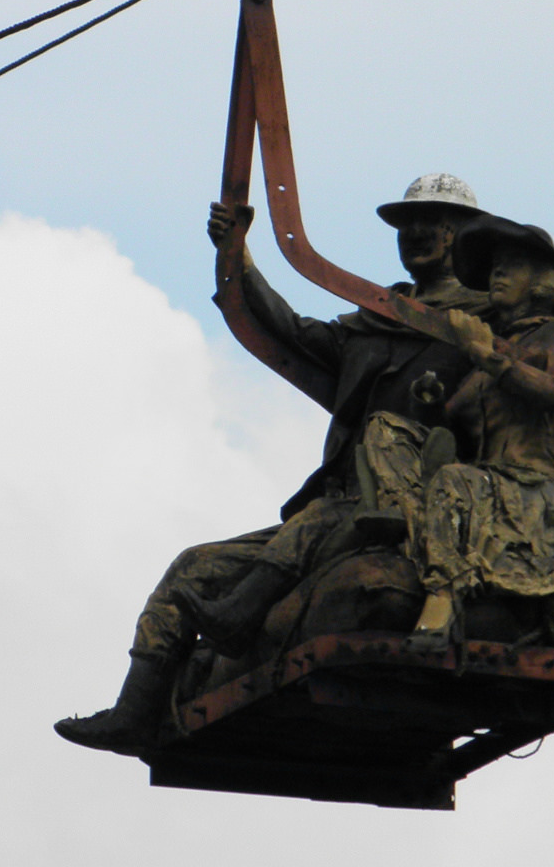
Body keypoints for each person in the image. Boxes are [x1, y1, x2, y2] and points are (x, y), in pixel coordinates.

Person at [55, 174, 488, 754]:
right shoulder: (380, 317)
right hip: (342, 503)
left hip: (414, 506)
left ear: (463, 234)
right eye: (407, 224)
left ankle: (236, 618)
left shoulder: (488, 329)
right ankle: (135, 711)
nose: (417, 234)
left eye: (433, 222)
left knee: (311, 525)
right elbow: (291, 330)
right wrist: (238, 255)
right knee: (192, 566)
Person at [411, 215, 554, 639]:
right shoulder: (487, 345)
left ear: (541, 280)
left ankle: (443, 595)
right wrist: (430, 399)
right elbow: (453, 420)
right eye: (495, 265)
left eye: (512, 263)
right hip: (488, 482)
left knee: (454, 482)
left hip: (534, 487)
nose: (498, 272)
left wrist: (491, 360)